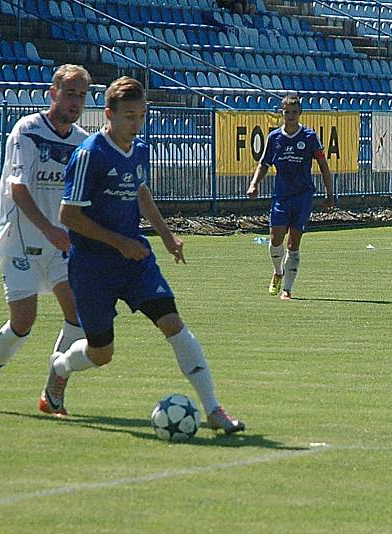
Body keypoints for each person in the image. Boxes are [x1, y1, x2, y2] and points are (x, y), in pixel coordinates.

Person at [42, 76, 245, 433]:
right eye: (129, 117)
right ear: (109, 114)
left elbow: (140, 193)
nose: (136, 124)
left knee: (173, 324)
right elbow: (68, 215)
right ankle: (59, 369)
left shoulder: (140, 150)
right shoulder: (90, 153)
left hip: (136, 262)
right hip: (92, 267)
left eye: (141, 116)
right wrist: (119, 242)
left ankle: (214, 409)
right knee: (101, 353)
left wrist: (167, 237)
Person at [0, 64, 92, 415]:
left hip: (62, 245)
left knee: (77, 315)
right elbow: (18, 188)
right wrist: (49, 229)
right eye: (70, 93)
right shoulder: (27, 131)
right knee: (24, 322)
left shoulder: (82, 141)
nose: (75, 101)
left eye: (82, 96)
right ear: (53, 93)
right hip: (21, 239)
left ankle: (53, 389)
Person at [246, 94, 333, 300]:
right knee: (276, 239)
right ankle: (277, 271)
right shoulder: (274, 137)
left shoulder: (310, 137)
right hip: (281, 197)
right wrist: (253, 184)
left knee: (293, 244)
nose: (291, 116)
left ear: (300, 113)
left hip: (302, 197)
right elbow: (264, 163)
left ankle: (287, 289)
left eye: (294, 112)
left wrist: (330, 194)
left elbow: (323, 166)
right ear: (281, 113)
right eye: (287, 112)